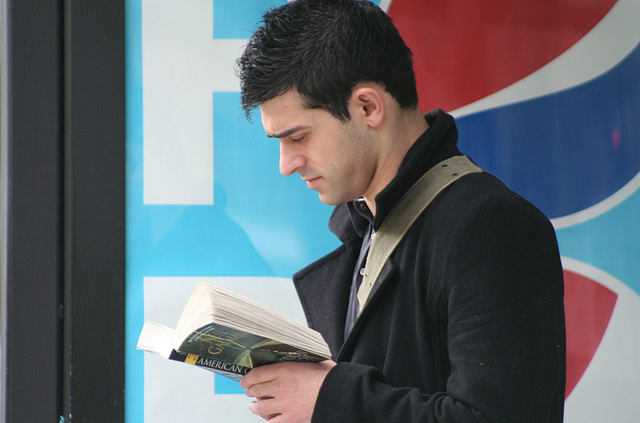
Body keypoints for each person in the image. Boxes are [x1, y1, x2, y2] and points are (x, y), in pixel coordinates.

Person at [236, 0, 566, 422]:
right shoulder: (371, 226)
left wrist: (331, 399)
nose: (286, 164)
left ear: (369, 107)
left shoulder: (493, 225)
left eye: (298, 136)